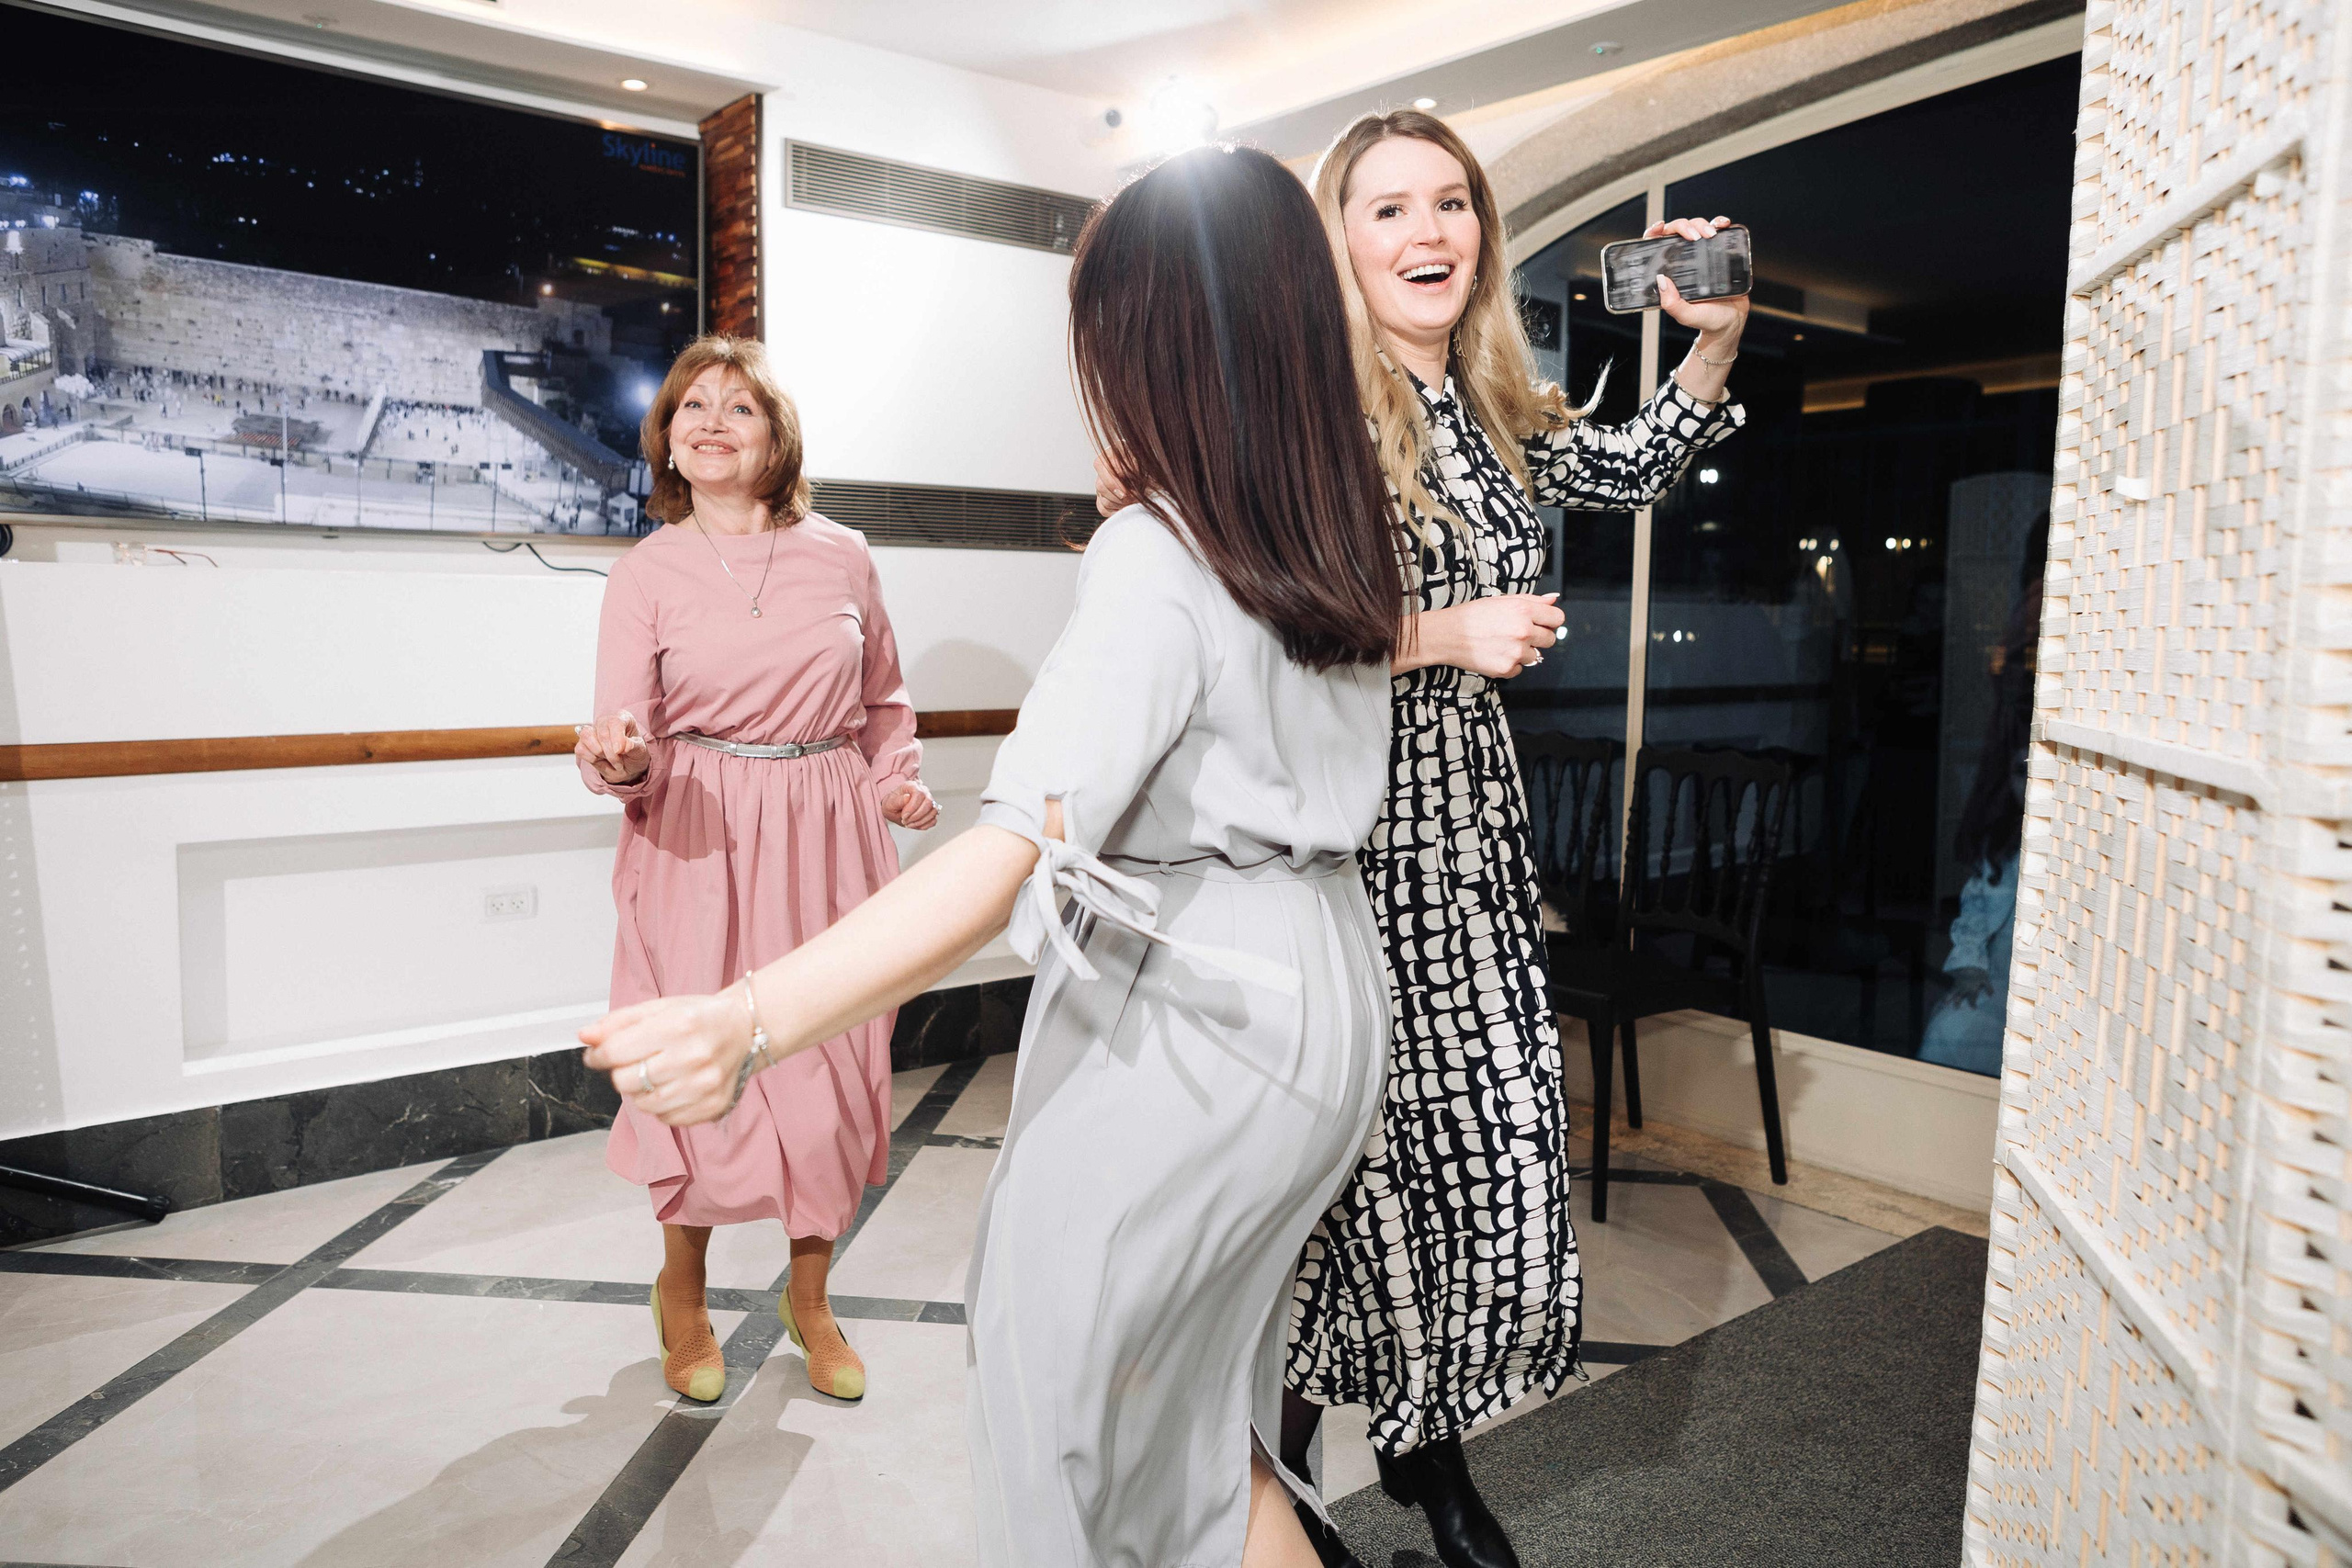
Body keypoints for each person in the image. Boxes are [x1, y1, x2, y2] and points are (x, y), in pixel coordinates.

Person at [580, 142, 1406, 1568]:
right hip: (1327, 987)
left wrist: (747, 1016)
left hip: (1195, 1007)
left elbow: (1014, 844)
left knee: (1062, 1415)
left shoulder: (1157, 552)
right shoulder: (1329, 531)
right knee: (1198, 1425)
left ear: (1143, 340)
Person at [1281, 111, 1747, 1568]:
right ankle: (1295, 1465)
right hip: (1346, 841)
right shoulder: (1304, 413)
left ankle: (1407, 1443)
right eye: (1389, 209)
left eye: (1452, 205)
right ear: (1338, 242)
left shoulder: (1491, 404)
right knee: (1352, 1165)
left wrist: (1715, 339)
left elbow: (1629, 463)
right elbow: (1263, 632)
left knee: (1483, 1144)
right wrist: (1439, 632)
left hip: (1472, 842)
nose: (1429, 234)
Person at [571, 334, 939, 1408]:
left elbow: (884, 703)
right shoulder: (644, 572)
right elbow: (618, 729)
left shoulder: (844, 554)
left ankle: (810, 1297)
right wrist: (620, 759)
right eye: (692, 407)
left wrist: (894, 781)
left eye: (739, 406)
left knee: (825, 1070)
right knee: (692, 1062)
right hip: (693, 834)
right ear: (669, 443)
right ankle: (681, 1292)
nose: (713, 422)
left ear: (776, 436)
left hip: (828, 835)